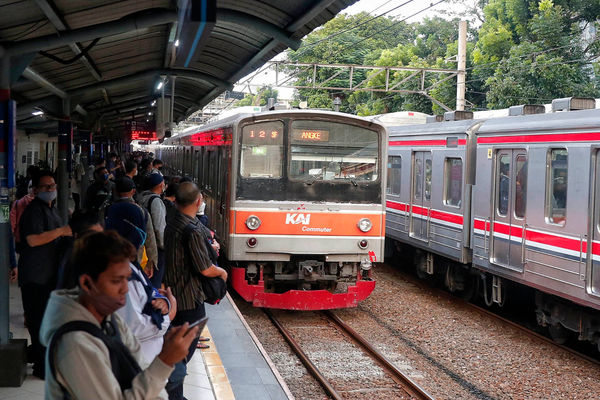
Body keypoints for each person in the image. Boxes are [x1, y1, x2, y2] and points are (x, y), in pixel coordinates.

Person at [39, 231, 199, 399]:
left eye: (126, 279)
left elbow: (140, 369)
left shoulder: (111, 320)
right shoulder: (74, 345)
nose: (125, 289)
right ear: (87, 283)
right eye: (116, 281)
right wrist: (164, 361)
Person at [163, 182, 227, 399]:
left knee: (177, 348)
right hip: (189, 299)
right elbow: (205, 268)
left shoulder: (172, 221)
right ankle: (174, 395)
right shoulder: (191, 230)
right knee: (182, 352)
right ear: (198, 201)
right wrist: (221, 273)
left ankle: (176, 393)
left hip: (174, 293)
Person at [18, 170, 73, 378]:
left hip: (48, 275)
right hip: (35, 276)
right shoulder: (33, 211)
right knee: (38, 321)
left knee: (48, 321)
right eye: (46, 187)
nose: (51, 190)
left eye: (53, 186)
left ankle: (45, 361)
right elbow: (32, 240)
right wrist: (61, 232)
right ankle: (42, 366)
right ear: (35, 190)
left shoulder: (53, 210)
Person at [107, 177, 158, 278]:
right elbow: (150, 238)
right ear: (133, 191)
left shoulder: (108, 209)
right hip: (134, 259)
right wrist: (152, 262)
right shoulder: (141, 211)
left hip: (112, 259)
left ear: (116, 191)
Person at [140, 173, 167, 287]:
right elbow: (159, 228)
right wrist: (164, 246)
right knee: (154, 280)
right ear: (161, 185)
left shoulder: (142, 197)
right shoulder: (156, 201)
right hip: (155, 248)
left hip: (144, 245)